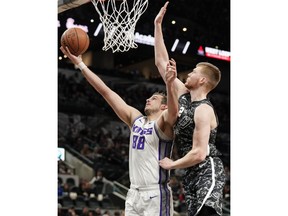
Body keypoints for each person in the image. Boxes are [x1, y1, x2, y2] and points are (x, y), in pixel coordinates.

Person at [60, 44, 179, 215]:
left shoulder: (164, 124)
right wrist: (81, 65)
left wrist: (169, 84)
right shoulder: (135, 119)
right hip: (133, 193)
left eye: (153, 98)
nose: (148, 99)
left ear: (163, 106)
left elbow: (173, 112)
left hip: (155, 193)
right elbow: (106, 92)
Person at [154, 2, 226, 216]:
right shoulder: (183, 94)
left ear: (202, 80)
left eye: (194, 71)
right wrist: (158, 25)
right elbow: (161, 62)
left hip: (206, 169)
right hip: (189, 172)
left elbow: (200, 153)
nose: (189, 74)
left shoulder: (204, 110)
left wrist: (172, 164)